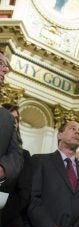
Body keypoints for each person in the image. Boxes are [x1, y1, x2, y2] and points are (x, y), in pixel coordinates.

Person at [0, 103, 31, 227]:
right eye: (10, 118)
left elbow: (24, 194)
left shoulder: (23, 156)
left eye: (16, 120)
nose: (13, 123)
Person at [0, 51, 23, 187]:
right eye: (0, 63)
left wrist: (3, 169)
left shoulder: (6, 118)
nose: (6, 69)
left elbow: (16, 155)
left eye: (6, 65)